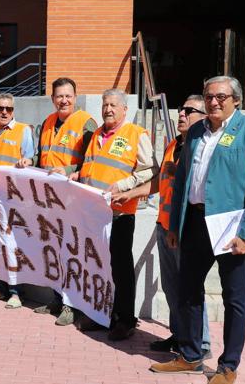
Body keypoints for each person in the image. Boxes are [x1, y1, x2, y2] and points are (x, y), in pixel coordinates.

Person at [150, 76, 245, 384]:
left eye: (221, 96)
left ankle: (228, 365)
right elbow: (181, 182)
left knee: (234, 298)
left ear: (236, 100)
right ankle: (191, 355)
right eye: (208, 96)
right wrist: (174, 225)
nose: (214, 101)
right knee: (188, 291)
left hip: (231, 227)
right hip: (193, 222)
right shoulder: (195, 132)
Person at [112, 95, 212, 355]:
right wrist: (131, 193)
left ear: (204, 116)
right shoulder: (172, 145)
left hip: (187, 229)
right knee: (171, 286)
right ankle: (180, 336)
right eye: (181, 109)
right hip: (165, 226)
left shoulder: (203, 146)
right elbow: (159, 182)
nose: (181, 114)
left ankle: (200, 342)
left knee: (191, 288)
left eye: (189, 110)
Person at [70, 88, 158, 340]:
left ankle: (125, 319)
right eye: (105, 105)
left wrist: (124, 185)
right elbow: (91, 168)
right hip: (93, 214)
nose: (108, 109)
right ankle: (103, 314)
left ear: (124, 109)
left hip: (119, 214)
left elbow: (151, 169)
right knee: (98, 266)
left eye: (113, 105)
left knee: (120, 268)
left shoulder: (135, 134)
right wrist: (77, 176)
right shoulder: (97, 134)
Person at [17, 77, 97, 326]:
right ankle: (56, 298)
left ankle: (71, 305)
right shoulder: (48, 122)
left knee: (71, 251)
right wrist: (31, 161)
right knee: (53, 249)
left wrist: (72, 169)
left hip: (73, 197)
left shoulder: (86, 123)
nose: (64, 100)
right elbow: (43, 155)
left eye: (68, 96)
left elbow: (93, 159)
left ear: (75, 97)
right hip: (49, 198)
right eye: (59, 96)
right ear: (52, 99)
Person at [0, 93, 35, 309]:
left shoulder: (23, 131)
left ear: (13, 111)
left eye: (9, 109)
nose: (4, 112)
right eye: (1, 108)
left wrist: (27, 160)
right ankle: (0, 288)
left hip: (14, 199)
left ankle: (15, 292)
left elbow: (31, 157)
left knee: (14, 245)